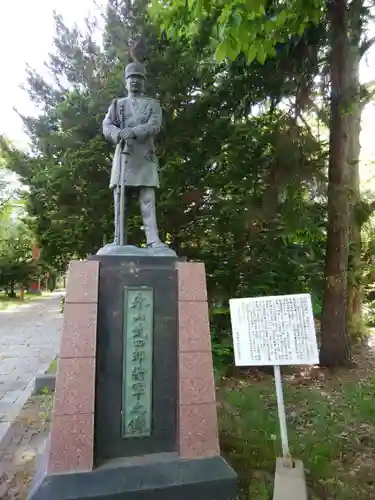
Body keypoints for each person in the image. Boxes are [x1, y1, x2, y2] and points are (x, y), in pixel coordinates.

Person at [102, 61, 166, 248]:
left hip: (144, 156)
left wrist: (134, 131)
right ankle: (118, 239)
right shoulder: (117, 104)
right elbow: (107, 125)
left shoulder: (153, 105)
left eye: (139, 78)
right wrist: (117, 133)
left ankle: (153, 240)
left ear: (144, 82)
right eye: (131, 78)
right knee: (120, 199)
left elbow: (154, 125)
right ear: (126, 82)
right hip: (124, 156)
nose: (135, 82)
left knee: (147, 198)